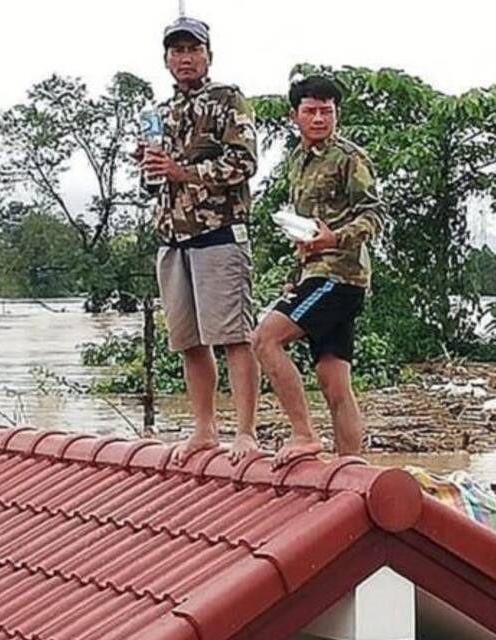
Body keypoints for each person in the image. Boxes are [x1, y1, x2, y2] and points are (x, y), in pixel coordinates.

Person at [141, 17, 260, 464]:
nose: (185, 58)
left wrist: (183, 171)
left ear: (208, 54)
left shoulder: (228, 100)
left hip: (219, 233)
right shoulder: (159, 112)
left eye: (193, 49)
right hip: (171, 237)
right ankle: (204, 429)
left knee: (233, 336)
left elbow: (244, 163)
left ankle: (245, 432)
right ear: (166, 59)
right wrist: (150, 166)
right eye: (176, 51)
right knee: (189, 341)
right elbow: (153, 183)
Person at [251, 74, 385, 464]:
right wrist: (299, 262)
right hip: (313, 274)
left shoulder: (349, 157)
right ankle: (350, 467)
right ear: (295, 116)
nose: (319, 118)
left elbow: (374, 214)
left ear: (336, 114)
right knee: (333, 381)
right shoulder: (296, 161)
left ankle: (304, 434)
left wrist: (334, 238)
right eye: (310, 111)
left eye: (327, 111)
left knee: (265, 340)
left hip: (339, 276)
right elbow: (307, 226)